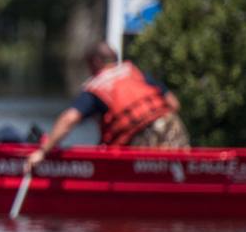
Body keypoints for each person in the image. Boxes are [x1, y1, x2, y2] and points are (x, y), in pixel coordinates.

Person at [26, 41, 189, 173]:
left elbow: (69, 119)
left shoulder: (97, 87)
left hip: (143, 140)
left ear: (95, 62)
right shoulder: (136, 73)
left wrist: (42, 152)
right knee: (178, 171)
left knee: (149, 174)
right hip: (173, 128)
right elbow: (174, 103)